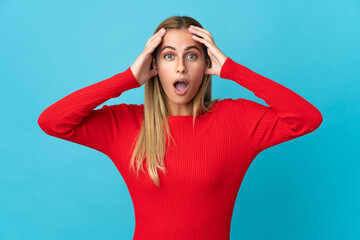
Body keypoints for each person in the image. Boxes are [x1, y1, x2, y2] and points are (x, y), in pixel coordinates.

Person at [38, 16, 323, 240]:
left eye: (192, 55)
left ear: (206, 64)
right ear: (155, 66)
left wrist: (232, 69)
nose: (181, 68)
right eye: (169, 55)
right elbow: (52, 122)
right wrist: (126, 79)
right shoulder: (126, 124)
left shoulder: (236, 120)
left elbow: (306, 118)